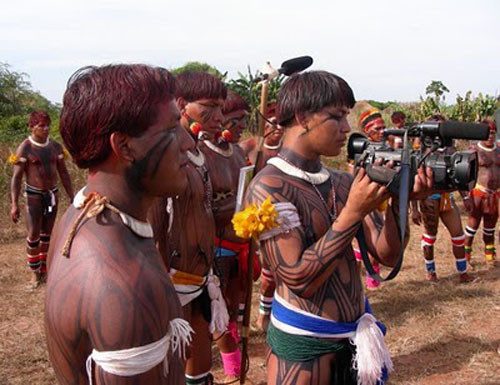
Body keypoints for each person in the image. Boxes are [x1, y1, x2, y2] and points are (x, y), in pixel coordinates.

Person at [244, 70, 432, 385]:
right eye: (337, 117)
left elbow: (386, 254)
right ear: (303, 117)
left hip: (354, 341)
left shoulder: (344, 182)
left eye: (346, 116)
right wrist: (353, 211)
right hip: (303, 346)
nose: (347, 128)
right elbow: (298, 277)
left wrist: (401, 202)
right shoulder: (268, 186)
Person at [45, 64, 194, 385]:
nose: (188, 144)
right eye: (171, 130)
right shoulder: (124, 281)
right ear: (124, 146)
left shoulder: (83, 212)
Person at [149, 70, 230, 385]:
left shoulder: (199, 152)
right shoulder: (169, 156)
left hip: (201, 278)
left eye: (221, 108)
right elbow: (155, 227)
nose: (219, 116)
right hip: (173, 283)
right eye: (209, 106)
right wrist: (161, 289)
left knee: (199, 367)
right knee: (171, 370)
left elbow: (203, 211)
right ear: (182, 104)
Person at [189, 75, 247, 381]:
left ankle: (234, 360)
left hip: (242, 243)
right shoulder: (199, 153)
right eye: (234, 120)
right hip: (215, 246)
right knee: (218, 307)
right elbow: (201, 208)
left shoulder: (238, 153)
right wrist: (232, 210)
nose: (237, 127)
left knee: (235, 304)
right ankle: (233, 368)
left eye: (242, 121)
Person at [10, 110, 74, 288]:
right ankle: (34, 274)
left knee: (47, 234)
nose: (45, 129)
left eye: (47, 125)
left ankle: (45, 269)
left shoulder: (55, 147)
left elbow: (64, 173)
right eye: (41, 126)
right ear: (31, 127)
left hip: (52, 195)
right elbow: (16, 178)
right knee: (33, 234)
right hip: (33, 195)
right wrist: (14, 204)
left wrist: (72, 196)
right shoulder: (25, 147)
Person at [413, 115, 474, 283]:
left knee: (458, 236)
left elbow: (458, 177)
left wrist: (466, 197)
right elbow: (415, 181)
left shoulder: (450, 150)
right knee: (430, 237)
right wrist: (415, 209)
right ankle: (431, 272)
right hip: (428, 199)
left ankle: (462, 272)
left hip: (447, 198)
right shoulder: (422, 152)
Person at [464, 119, 499, 267]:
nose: (491, 136)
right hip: (478, 192)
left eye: (493, 133)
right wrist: (466, 196)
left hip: (494, 194)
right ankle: (466, 255)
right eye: (488, 133)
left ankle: (489, 255)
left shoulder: (498, 150)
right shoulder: (474, 151)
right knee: (472, 226)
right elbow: (465, 174)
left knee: (490, 227)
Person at [240, 102, 284, 171]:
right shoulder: (247, 146)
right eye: (274, 122)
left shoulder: (288, 148)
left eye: (282, 123)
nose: (279, 127)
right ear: (264, 124)